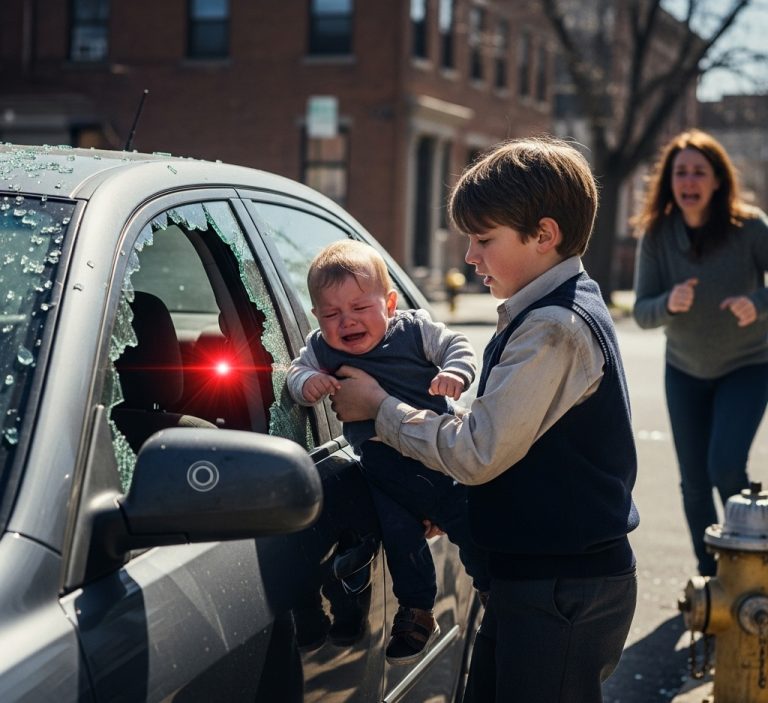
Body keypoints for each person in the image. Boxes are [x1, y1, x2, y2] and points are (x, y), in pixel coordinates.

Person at [329, 136, 639, 703]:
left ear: (543, 235)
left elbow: (478, 450)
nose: (470, 256)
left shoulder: (554, 327)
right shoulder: (546, 311)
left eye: (483, 239)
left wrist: (379, 408)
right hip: (537, 578)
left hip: (561, 588)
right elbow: (512, 442)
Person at [287, 239, 490, 666]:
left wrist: (455, 372)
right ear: (316, 316)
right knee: (401, 541)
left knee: (469, 524)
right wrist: (307, 383)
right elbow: (296, 371)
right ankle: (416, 612)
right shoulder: (322, 348)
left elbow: (457, 345)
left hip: (434, 458)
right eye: (331, 314)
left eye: (360, 307)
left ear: (390, 304)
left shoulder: (413, 330)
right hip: (382, 475)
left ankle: (496, 588)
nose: (346, 321)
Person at [632, 128, 768, 577]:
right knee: (693, 483)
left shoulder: (750, 228)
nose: (688, 181)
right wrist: (668, 303)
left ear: (717, 180)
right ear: (669, 181)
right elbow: (642, 311)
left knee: (725, 468)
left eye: (698, 172)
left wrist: (758, 303)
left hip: (747, 365)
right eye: (680, 172)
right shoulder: (657, 235)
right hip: (684, 370)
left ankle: (750, 566)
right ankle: (712, 582)